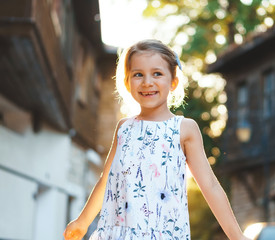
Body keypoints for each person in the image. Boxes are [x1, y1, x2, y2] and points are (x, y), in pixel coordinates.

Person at [63, 39, 251, 240]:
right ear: (127, 82)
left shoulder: (184, 129)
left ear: (173, 82)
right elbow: (106, 181)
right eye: (138, 74)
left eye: (157, 74)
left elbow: (210, 185)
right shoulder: (123, 129)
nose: (147, 82)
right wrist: (82, 221)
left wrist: (237, 236)